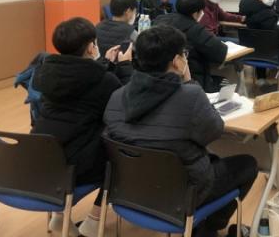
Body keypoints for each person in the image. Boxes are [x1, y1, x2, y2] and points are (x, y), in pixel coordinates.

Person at [103, 25, 257, 237]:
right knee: (248, 164)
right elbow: (215, 131)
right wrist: (190, 81)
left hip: (130, 191)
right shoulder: (190, 96)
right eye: (184, 54)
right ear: (177, 61)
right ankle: (208, 229)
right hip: (184, 193)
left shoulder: (116, 96)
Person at [32, 17, 133, 237]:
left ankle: (60, 217)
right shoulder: (103, 81)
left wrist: (105, 65)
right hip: (75, 164)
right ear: (90, 47)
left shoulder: (47, 73)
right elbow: (127, 102)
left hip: (41, 156)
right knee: (122, 160)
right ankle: (94, 221)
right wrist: (125, 66)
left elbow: (80, 79)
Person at [153, 0, 228, 92]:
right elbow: (221, 53)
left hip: (160, 80)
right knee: (225, 81)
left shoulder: (159, 20)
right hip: (191, 80)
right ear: (196, 13)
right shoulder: (195, 29)